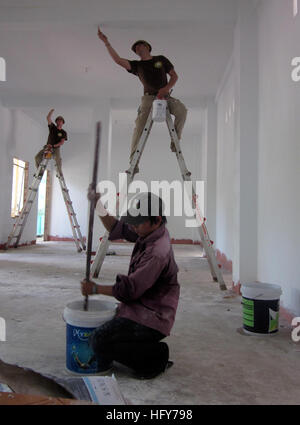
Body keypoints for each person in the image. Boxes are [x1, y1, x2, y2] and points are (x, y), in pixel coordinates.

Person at [81, 191, 180, 379]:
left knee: (99, 342)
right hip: (138, 306)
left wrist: (95, 289)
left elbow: (129, 290)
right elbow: (117, 227)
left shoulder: (157, 252)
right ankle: (141, 347)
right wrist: (97, 203)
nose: (133, 227)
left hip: (154, 316)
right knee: (101, 334)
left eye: (138, 222)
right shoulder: (148, 231)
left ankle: (157, 357)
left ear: (157, 220)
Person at [97, 26, 188, 173]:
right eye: (135, 49)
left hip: (166, 96)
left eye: (139, 46)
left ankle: (175, 141)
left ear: (147, 46)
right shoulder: (137, 65)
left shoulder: (161, 59)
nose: (137, 50)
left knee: (182, 111)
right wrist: (106, 42)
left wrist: (166, 89)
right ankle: (134, 162)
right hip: (148, 99)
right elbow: (118, 60)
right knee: (140, 127)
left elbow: (174, 76)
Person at [35, 109, 67, 175]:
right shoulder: (52, 127)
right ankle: (40, 171)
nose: (59, 121)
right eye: (58, 120)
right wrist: (51, 112)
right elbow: (48, 118)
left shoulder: (63, 132)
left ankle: (59, 173)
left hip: (56, 148)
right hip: (48, 147)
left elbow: (62, 142)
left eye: (61, 120)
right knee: (37, 157)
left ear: (63, 122)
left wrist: (53, 146)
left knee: (58, 160)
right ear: (56, 122)